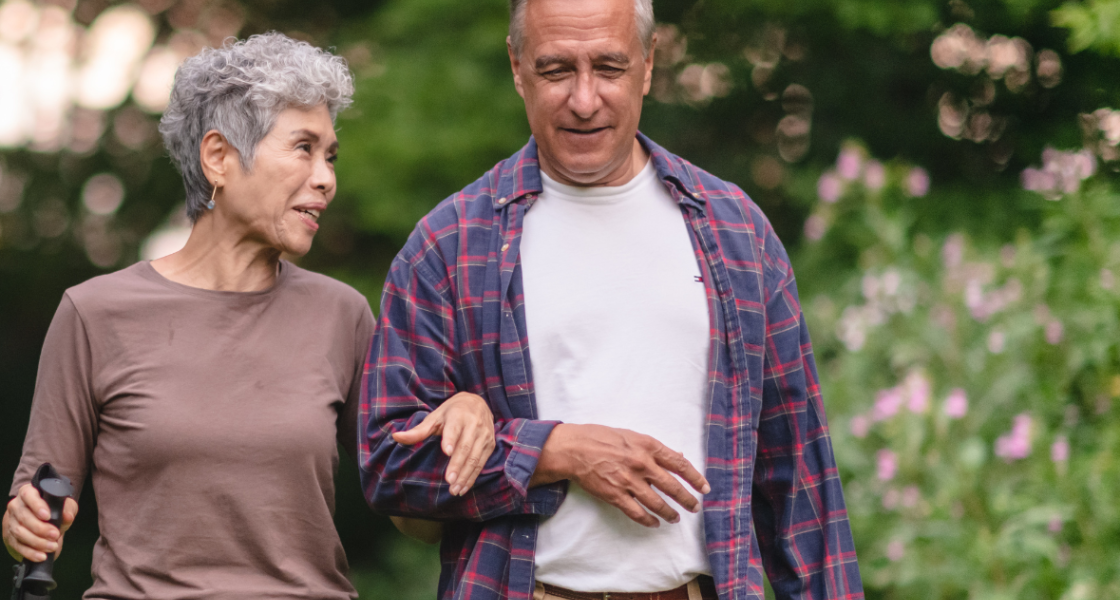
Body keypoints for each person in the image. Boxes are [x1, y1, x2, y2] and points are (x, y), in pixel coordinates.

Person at [357, 0, 863, 599]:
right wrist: (553, 451)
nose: (584, 99)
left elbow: (799, 474)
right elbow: (388, 464)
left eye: (610, 67)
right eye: (555, 71)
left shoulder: (736, 231)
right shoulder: (449, 244)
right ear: (517, 68)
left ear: (649, 66)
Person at [1, 32, 495, 599]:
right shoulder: (94, 314)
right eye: (303, 148)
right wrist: (23, 525)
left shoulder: (343, 316)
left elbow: (418, 518)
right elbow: (32, 510)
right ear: (219, 157)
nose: (326, 178)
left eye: (330, 155)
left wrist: (462, 413)